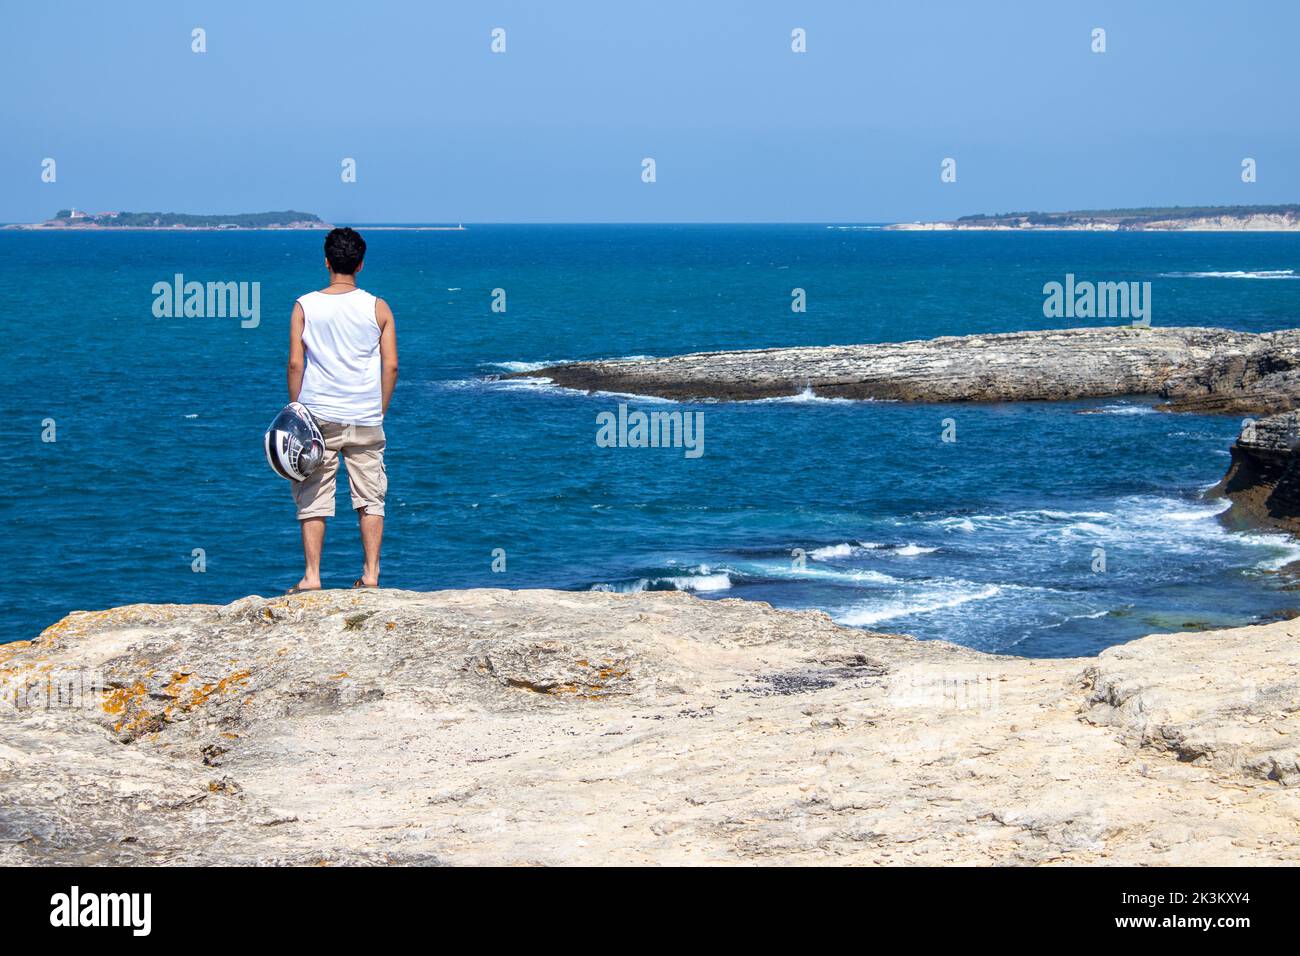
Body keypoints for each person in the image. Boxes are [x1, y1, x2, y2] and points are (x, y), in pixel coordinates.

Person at [286, 227, 398, 591]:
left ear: (327, 261)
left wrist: (295, 410)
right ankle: (370, 575)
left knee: (314, 493)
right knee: (371, 495)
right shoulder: (378, 307)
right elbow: (391, 365)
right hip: (365, 415)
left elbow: (295, 365)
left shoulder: (304, 305)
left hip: (318, 416)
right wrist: (378, 409)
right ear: (360, 264)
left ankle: (312, 576)